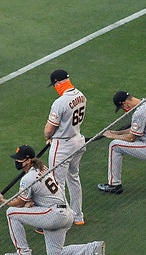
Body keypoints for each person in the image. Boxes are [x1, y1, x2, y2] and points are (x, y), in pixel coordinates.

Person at [0, 144, 105, 255]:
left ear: (29, 160)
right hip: (66, 214)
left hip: (54, 215)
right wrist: (30, 203)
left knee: (11, 213)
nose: (17, 161)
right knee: (55, 253)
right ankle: (94, 247)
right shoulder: (42, 167)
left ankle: (23, 253)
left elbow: (20, 203)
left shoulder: (28, 178)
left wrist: (3, 201)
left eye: (20, 159)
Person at [44, 69, 87, 226]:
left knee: (56, 183)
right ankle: (78, 216)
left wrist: (48, 138)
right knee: (74, 177)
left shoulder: (60, 102)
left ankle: (59, 219)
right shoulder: (81, 96)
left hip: (62, 145)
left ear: (57, 83)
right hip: (78, 141)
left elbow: (49, 129)